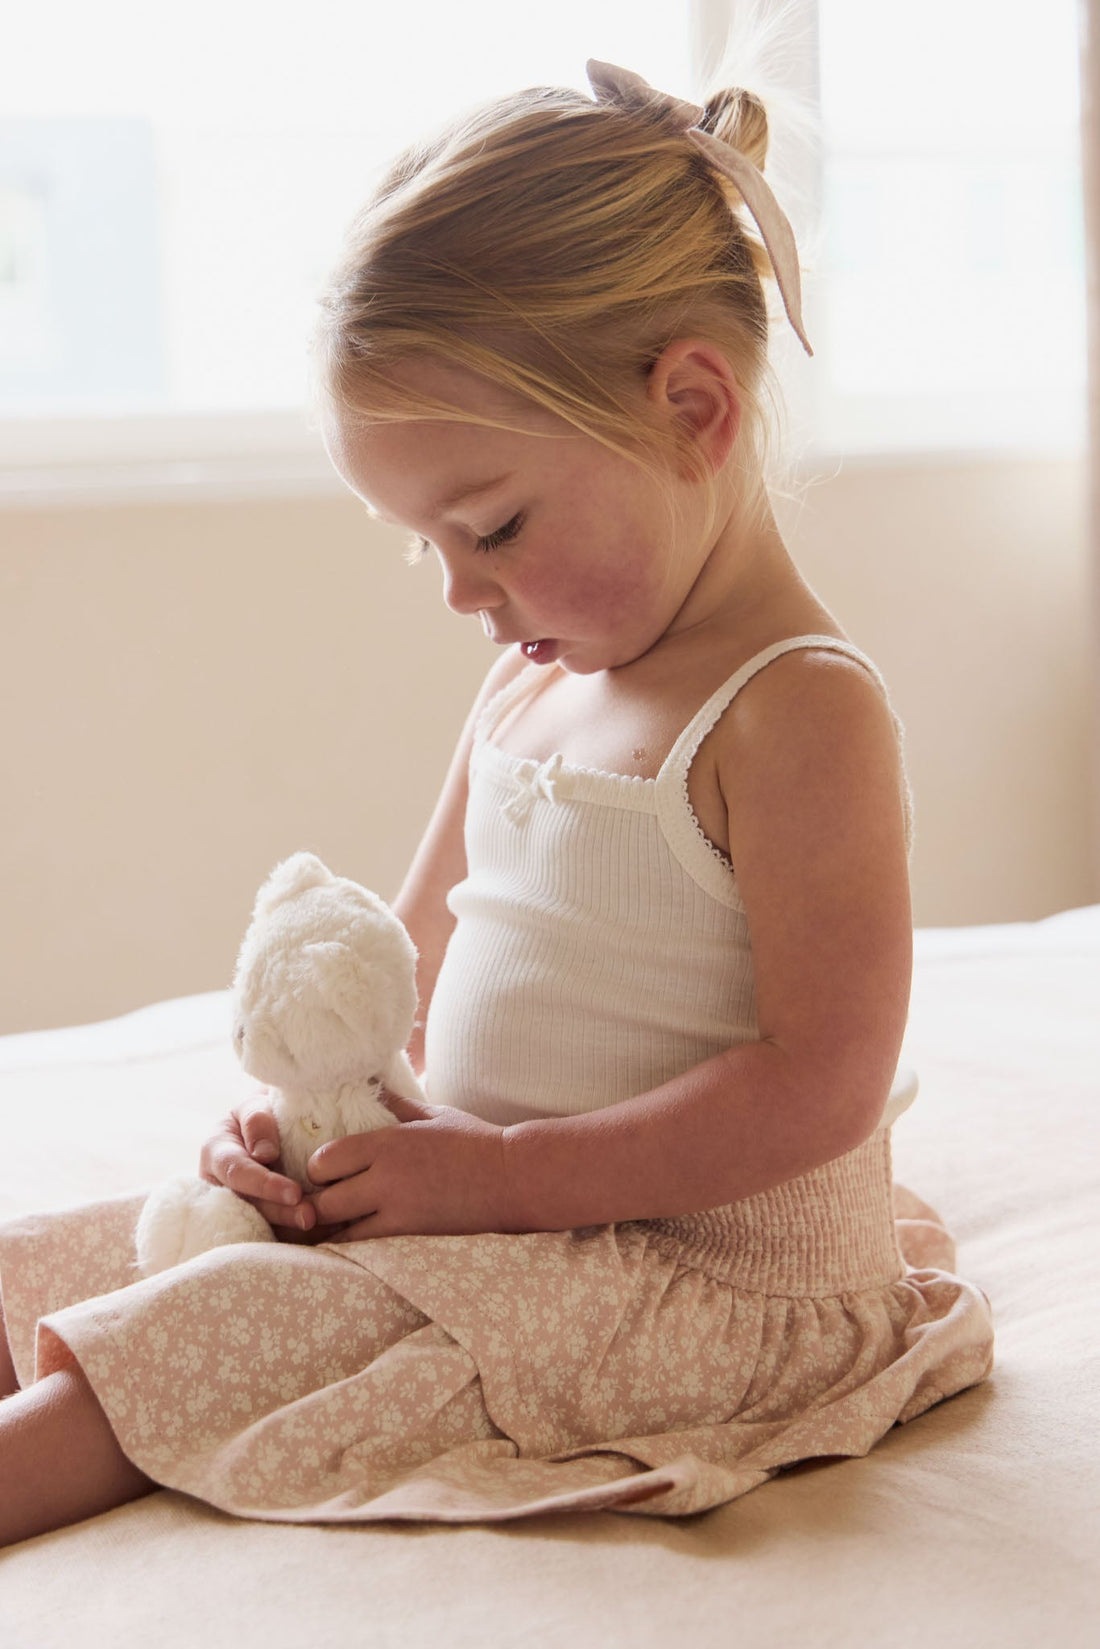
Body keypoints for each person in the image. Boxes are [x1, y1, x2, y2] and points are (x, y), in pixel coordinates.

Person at [0, 60, 994, 1545]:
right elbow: (402, 968)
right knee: (56, 1258)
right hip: (502, 1204)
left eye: (494, 527)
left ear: (693, 408)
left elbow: (820, 1081)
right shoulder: (533, 683)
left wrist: (510, 1179)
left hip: (692, 1275)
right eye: (428, 549)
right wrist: (300, 1132)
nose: (464, 591)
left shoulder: (797, 712)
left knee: (197, 1341)